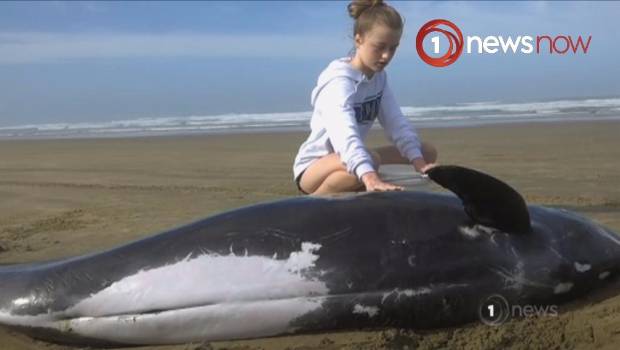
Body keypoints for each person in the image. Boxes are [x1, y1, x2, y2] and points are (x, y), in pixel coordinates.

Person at [293, 0, 438, 195]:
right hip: (314, 169)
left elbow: (396, 123)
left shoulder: (379, 78)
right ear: (358, 39)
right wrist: (369, 175)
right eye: (379, 47)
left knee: (426, 152)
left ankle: (361, 177)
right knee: (367, 164)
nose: (386, 56)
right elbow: (345, 134)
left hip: (349, 157)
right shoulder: (338, 82)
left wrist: (419, 164)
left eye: (393, 48)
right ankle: (312, 203)